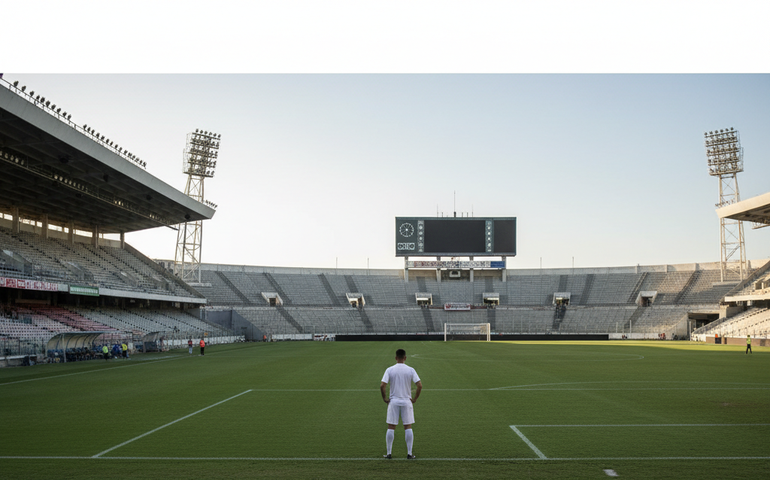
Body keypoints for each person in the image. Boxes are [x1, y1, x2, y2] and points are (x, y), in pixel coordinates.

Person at [380, 348, 422, 459]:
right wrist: (415, 398)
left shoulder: (390, 370)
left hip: (393, 401)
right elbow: (419, 385)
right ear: (405, 358)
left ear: (395, 357)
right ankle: (409, 453)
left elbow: (382, 385)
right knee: (408, 427)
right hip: (406, 401)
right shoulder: (410, 370)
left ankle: (389, 453)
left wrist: (384, 397)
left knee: (391, 427)